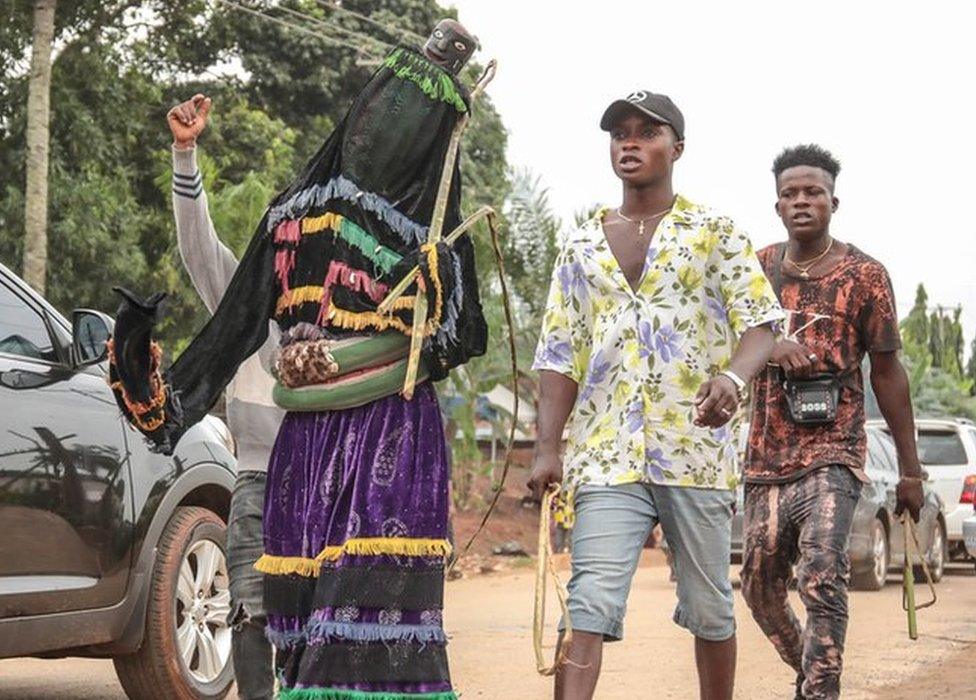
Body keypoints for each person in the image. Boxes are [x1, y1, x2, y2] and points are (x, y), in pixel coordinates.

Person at [109, 19, 487, 700]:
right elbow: (209, 277)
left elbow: (458, 339)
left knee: (365, 616)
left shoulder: (431, 241)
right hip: (281, 462)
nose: (392, 130)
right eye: (384, 109)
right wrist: (185, 162)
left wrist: (439, 283)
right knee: (277, 619)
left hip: (387, 445)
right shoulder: (290, 229)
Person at [527, 90, 784, 700]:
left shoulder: (713, 233)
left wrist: (733, 378)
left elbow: (760, 323)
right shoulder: (581, 246)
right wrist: (546, 450)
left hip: (694, 451)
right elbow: (560, 354)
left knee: (708, 605)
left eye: (647, 132)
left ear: (678, 148)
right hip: (606, 452)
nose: (630, 143)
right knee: (588, 600)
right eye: (620, 133)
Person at [740, 144, 925, 700]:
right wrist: (771, 346)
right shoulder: (757, 268)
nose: (801, 201)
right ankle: (812, 671)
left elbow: (889, 373)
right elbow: (723, 339)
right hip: (766, 457)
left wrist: (911, 471)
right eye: (790, 194)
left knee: (821, 573)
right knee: (759, 586)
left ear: (833, 202)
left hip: (834, 453)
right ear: (777, 206)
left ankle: (821, 691)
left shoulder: (866, 275)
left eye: (812, 192)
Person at [165, 94, 283, 700]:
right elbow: (198, 247)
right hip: (257, 484)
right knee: (251, 613)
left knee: (321, 625)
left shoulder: (343, 314)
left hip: (327, 486)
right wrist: (185, 153)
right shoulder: (244, 307)